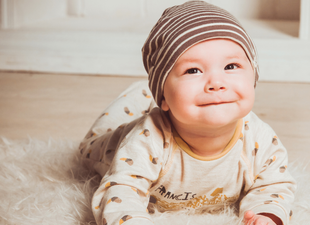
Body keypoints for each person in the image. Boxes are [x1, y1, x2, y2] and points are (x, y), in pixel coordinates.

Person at [78, 1, 296, 224]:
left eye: (231, 66)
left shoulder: (259, 139)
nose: (217, 83)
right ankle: (142, 93)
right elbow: (121, 191)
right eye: (193, 70)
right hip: (111, 144)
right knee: (94, 140)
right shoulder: (146, 139)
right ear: (163, 97)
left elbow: (274, 185)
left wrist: (267, 215)